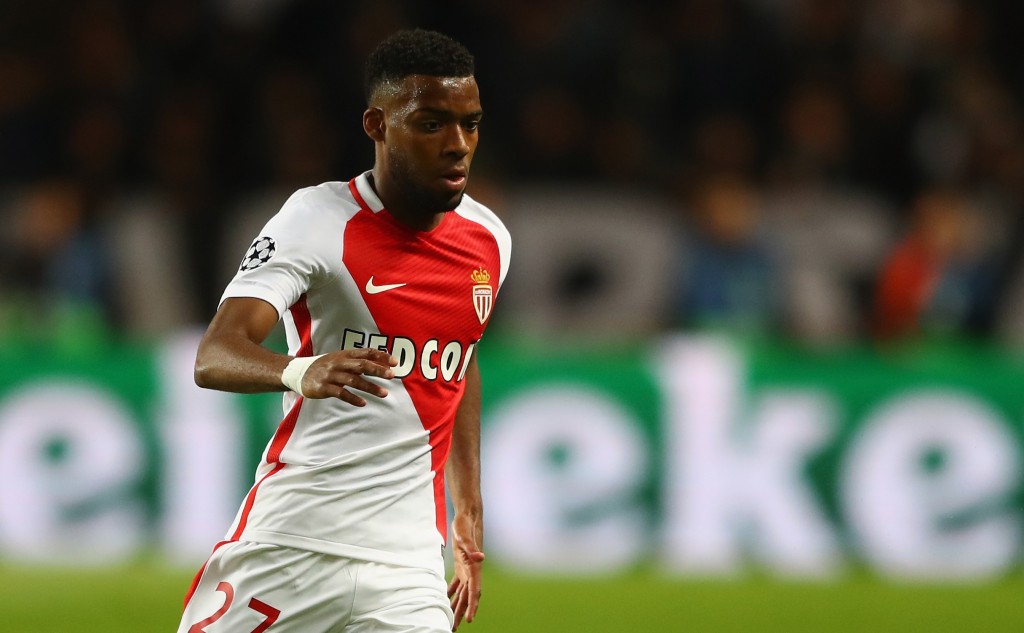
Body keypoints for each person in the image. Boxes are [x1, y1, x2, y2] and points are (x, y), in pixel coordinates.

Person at [176, 29, 510, 633]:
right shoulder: (316, 219)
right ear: (377, 125)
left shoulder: (489, 240)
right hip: (291, 544)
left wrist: (468, 512)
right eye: (432, 124)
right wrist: (299, 369)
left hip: (406, 568)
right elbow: (214, 354)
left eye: (471, 124)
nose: (458, 145)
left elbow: (462, 360)